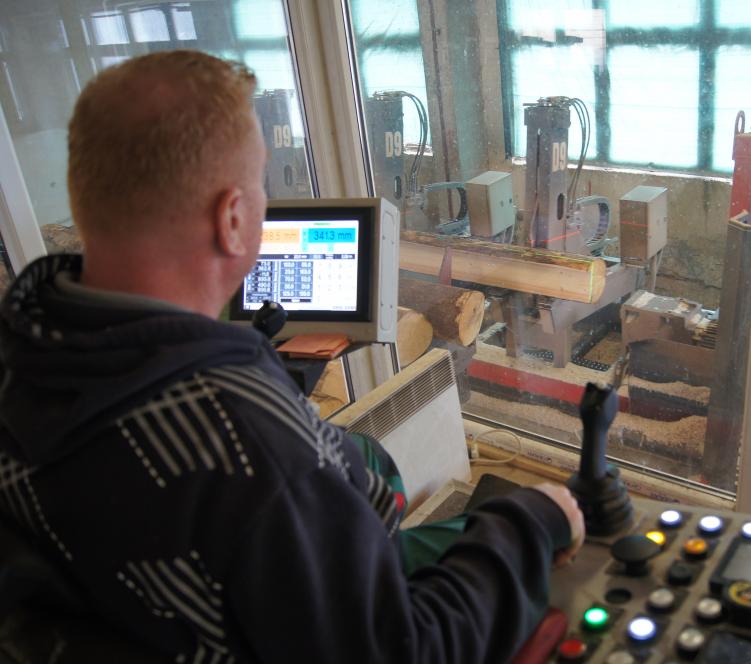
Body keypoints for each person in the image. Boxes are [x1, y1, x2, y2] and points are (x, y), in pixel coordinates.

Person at [0, 50, 583, 662]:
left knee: (367, 458)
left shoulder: (25, 352)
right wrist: (528, 523)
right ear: (232, 218)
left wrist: (261, 378)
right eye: (259, 184)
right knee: (494, 527)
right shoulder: (252, 444)